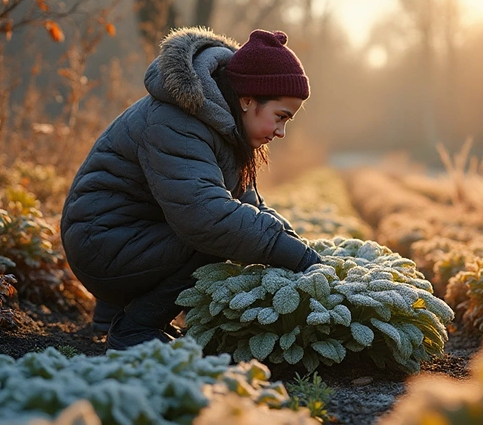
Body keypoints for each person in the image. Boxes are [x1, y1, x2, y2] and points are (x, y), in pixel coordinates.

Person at [60, 27, 322, 350]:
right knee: (215, 235)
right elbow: (207, 217)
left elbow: (251, 206)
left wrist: (304, 252)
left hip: (121, 237)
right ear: (247, 98)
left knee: (233, 226)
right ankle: (134, 328)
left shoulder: (222, 122)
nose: (281, 132)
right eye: (280, 117)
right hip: (98, 244)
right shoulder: (178, 121)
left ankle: (113, 314)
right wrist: (302, 260)